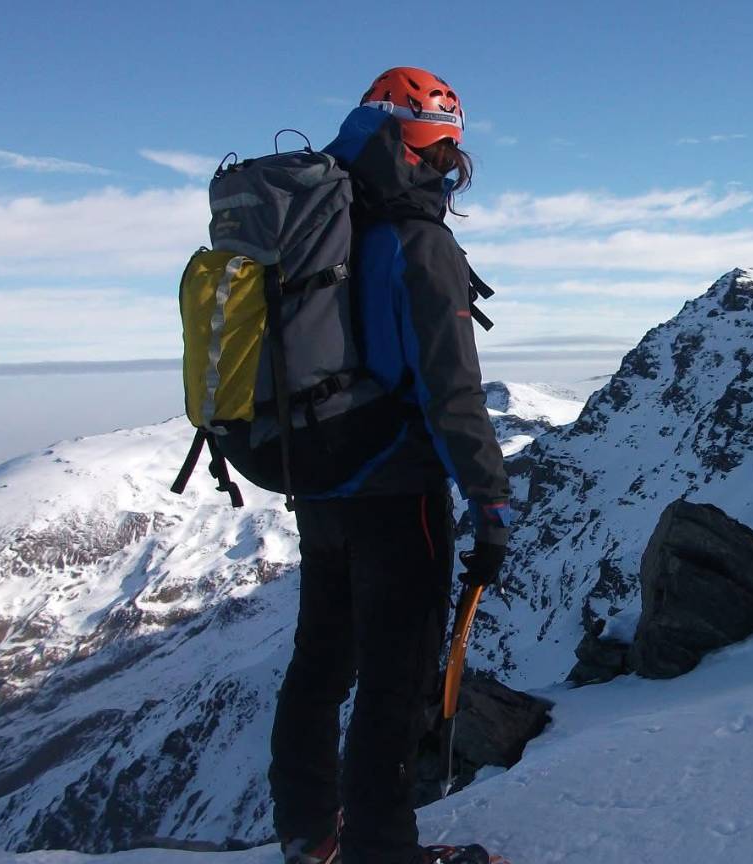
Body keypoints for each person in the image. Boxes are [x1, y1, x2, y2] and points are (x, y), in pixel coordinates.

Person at [267, 67, 513, 864]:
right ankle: (383, 851)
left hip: (320, 473)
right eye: (448, 151)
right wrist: (489, 504)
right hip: (397, 490)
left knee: (320, 665)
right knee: (395, 678)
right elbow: (450, 392)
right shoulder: (418, 242)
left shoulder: (324, 224)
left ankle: (309, 838)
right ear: (433, 148)